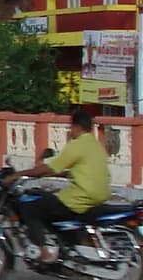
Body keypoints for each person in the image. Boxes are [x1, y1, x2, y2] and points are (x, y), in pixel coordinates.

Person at [14, 107, 112, 261]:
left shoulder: (77, 145)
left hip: (80, 197)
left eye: (70, 127)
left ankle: (44, 253)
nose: (69, 130)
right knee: (50, 202)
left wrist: (18, 174)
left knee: (29, 206)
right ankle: (65, 244)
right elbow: (77, 170)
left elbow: (51, 167)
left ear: (77, 127)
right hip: (100, 195)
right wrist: (53, 173)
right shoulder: (96, 145)